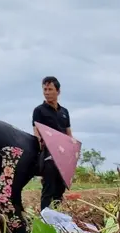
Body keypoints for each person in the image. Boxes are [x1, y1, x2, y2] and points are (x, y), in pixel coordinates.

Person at [32, 76, 72, 210]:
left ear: (58, 91)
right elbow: (36, 132)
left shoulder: (64, 112)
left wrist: (71, 154)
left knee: (60, 189)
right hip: (49, 155)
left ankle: (57, 217)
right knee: (48, 188)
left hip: (63, 156)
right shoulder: (39, 110)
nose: (47, 92)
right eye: (45, 89)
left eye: (50, 89)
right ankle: (45, 218)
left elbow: (68, 134)